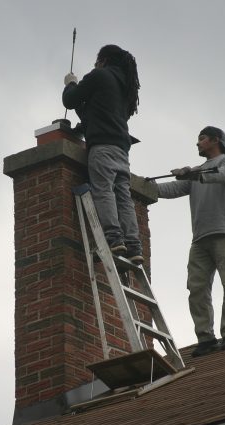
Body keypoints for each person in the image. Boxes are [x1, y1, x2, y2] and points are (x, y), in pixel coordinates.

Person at [156, 126, 225, 357]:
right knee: (197, 288)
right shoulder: (196, 173)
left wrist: (194, 174)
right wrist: (140, 186)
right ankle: (205, 338)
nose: (198, 143)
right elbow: (174, 188)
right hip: (200, 239)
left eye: (202, 139)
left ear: (215, 140)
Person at [62, 44, 143, 264]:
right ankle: (134, 245)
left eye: (97, 61)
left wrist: (70, 83)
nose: (95, 64)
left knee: (103, 189)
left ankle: (114, 237)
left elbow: (70, 101)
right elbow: (94, 111)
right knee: (123, 196)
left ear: (104, 60)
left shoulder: (100, 75)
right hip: (122, 150)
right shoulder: (125, 87)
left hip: (102, 146)